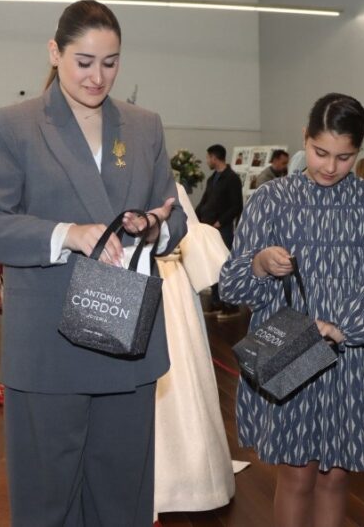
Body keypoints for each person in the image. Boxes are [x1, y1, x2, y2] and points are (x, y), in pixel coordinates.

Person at [0, 0, 186, 527]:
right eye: (84, 61)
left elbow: (175, 221)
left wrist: (154, 228)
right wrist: (68, 234)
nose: (97, 76)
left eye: (110, 62)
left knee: (123, 495)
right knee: (47, 499)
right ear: (54, 52)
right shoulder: (13, 126)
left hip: (127, 335)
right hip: (48, 343)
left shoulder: (144, 126)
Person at [220, 93, 364, 527]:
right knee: (296, 475)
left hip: (349, 358)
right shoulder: (270, 199)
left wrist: (344, 327)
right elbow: (231, 284)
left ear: (358, 152)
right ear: (304, 139)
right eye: (320, 152)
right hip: (287, 349)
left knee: (335, 478)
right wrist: (260, 263)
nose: (330, 166)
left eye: (344, 157)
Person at [153, 182, 235, 516]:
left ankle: (186, 481)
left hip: (169, 291)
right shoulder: (170, 186)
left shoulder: (169, 185)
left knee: (180, 378)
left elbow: (185, 231)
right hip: (164, 288)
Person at [195, 144, 244, 249]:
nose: (207, 161)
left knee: (222, 259)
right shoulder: (211, 179)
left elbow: (237, 205)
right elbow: (204, 201)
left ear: (214, 158)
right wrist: (194, 218)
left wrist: (220, 222)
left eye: (208, 157)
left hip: (222, 229)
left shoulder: (232, 178)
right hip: (207, 227)